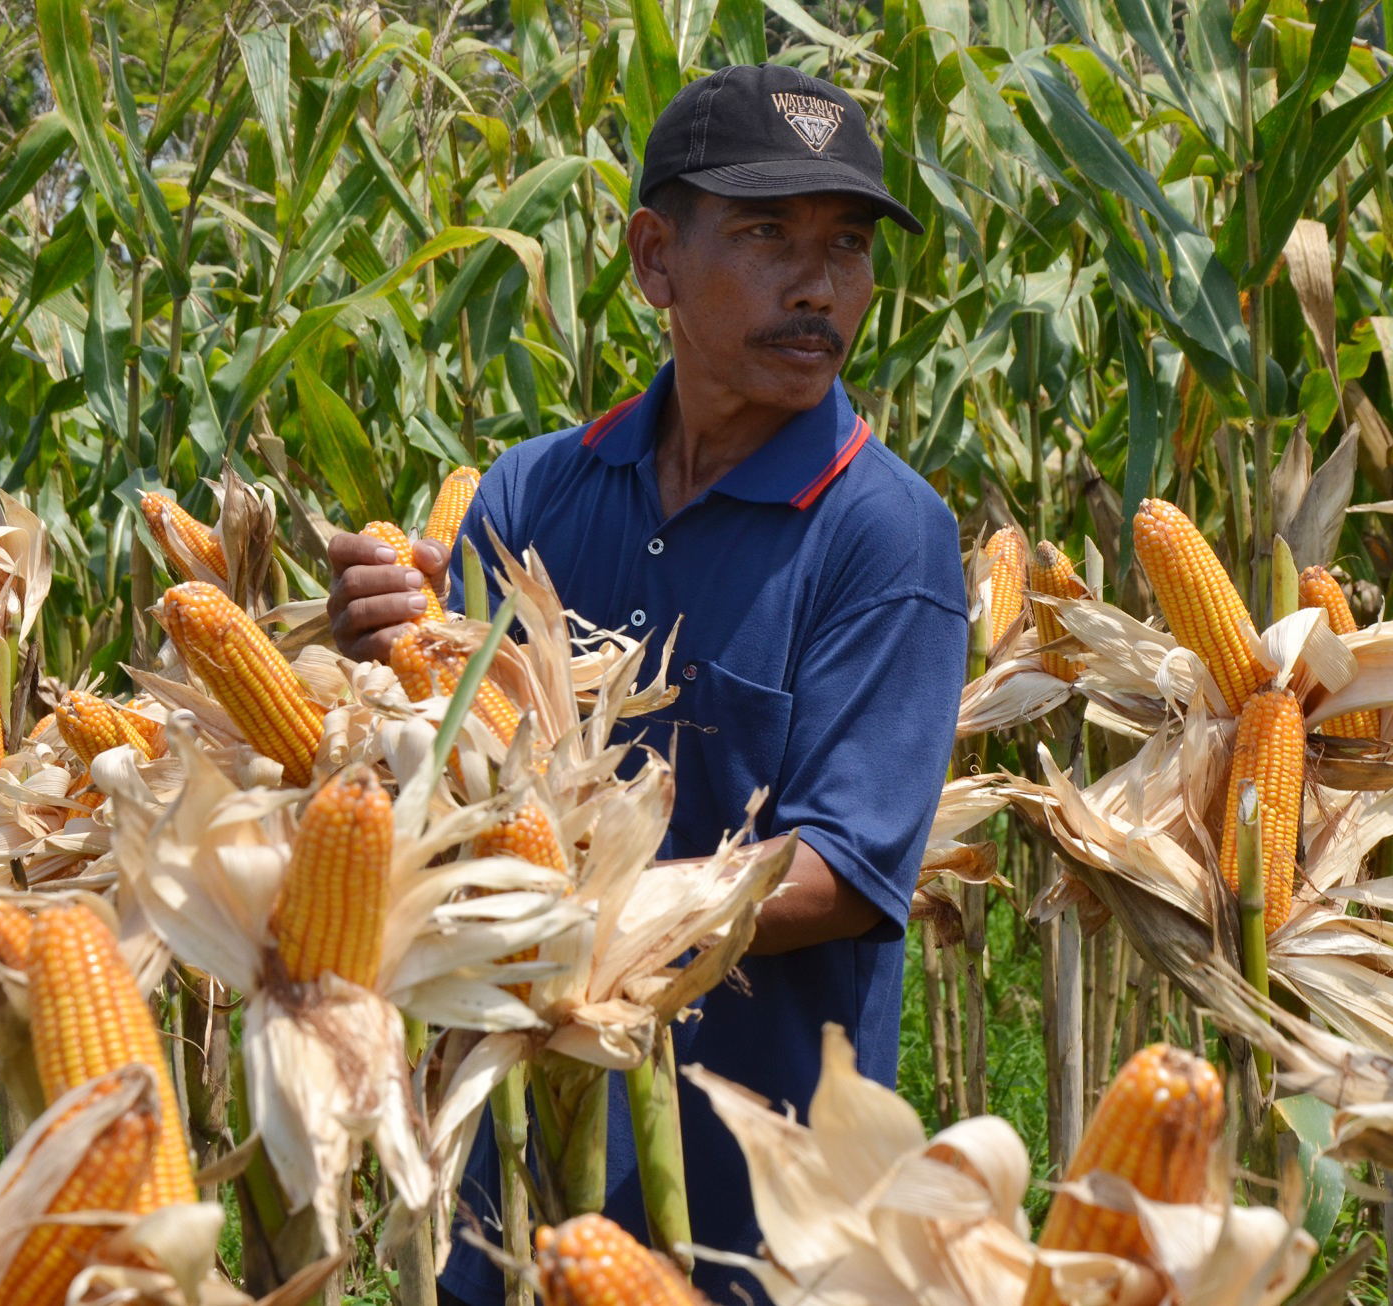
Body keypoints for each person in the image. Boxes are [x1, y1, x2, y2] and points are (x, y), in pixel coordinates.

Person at [325, 63, 971, 1304]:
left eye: (846, 247)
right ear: (655, 259)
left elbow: (843, 872)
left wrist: (570, 919)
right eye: (768, 234)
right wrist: (386, 661)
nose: (818, 284)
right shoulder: (531, 495)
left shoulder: (884, 534)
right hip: (508, 1186)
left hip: (750, 1219)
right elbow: (447, 780)